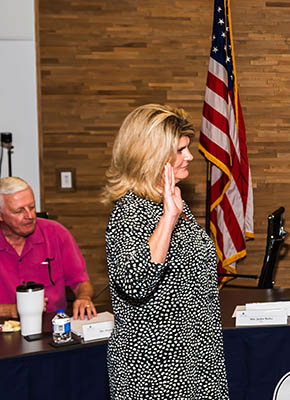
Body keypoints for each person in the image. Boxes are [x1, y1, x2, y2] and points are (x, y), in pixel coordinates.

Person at [103, 104, 229, 399]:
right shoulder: (131, 211)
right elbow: (135, 282)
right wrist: (169, 218)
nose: (190, 156)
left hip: (197, 360)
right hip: (154, 371)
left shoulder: (171, 201)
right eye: (180, 150)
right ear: (152, 157)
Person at [0, 177, 96, 320]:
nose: (29, 216)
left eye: (32, 207)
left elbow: (81, 281)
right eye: (19, 211)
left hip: (53, 328)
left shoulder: (56, 233)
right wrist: (9, 310)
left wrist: (84, 297)